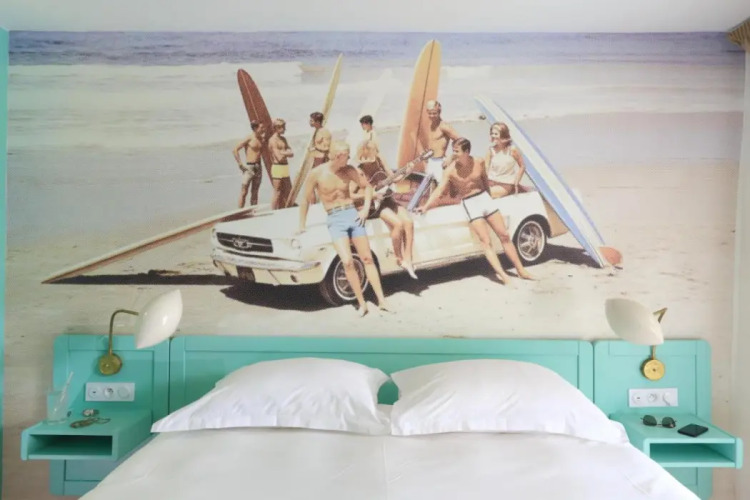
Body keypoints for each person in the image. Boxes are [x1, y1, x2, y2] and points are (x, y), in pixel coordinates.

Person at [415, 137, 535, 285]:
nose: (454, 154)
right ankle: (503, 276)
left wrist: (489, 198)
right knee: (486, 241)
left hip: (484, 198)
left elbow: (485, 180)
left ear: (466, 152)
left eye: (457, 151)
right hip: (470, 203)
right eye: (453, 151)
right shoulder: (450, 170)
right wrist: (426, 206)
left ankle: (521, 270)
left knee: (504, 235)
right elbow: (439, 190)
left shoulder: (479, 161)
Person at [298, 141, 391, 316]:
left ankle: (382, 301)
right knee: (347, 262)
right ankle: (362, 303)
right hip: (335, 219)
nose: (349, 159)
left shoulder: (349, 170)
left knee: (367, 258)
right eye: (346, 156)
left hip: (352, 215)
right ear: (337, 156)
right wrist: (301, 225)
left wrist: (365, 209)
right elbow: (305, 199)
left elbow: (367, 187)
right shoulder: (317, 174)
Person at [351, 140, 418, 279]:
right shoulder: (358, 171)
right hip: (373, 204)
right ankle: (398, 257)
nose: (368, 163)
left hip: (386, 198)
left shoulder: (380, 161)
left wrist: (407, 171)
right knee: (398, 224)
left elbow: (394, 178)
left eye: (370, 159)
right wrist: (372, 195)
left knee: (409, 222)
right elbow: (350, 195)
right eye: (365, 160)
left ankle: (408, 259)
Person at [407, 99, 461, 212]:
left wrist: (451, 157)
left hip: (441, 162)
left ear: (439, 110)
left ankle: (451, 211)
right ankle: (430, 212)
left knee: (444, 191)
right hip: (431, 162)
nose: (432, 115)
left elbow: (461, 141)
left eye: (434, 113)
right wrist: (422, 152)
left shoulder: (444, 126)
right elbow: (413, 133)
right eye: (430, 113)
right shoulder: (430, 125)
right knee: (431, 191)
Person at [485, 122, 528, 198]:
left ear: (503, 135)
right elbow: (485, 169)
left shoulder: (512, 150)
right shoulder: (491, 150)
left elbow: (522, 166)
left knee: (487, 195)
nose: (493, 136)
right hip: (491, 182)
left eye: (496, 134)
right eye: (492, 133)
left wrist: (516, 182)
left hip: (505, 184)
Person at [231, 121, 266, 207]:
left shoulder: (261, 138)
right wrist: (240, 164)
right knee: (244, 191)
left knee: (255, 192)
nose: (263, 129)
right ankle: (240, 211)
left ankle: (253, 211)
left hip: (258, 167)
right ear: (255, 128)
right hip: (249, 167)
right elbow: (235, 149)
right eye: (261, 128)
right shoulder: (249, 138)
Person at [268, 118, 294, 210]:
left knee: (288, 190)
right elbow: (279, 157)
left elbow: (292, 153)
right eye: (282, 127)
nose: (284, 129)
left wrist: (282, 152)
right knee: (277, 192)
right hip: (277, 167)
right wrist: (286, 152)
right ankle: (273, 211)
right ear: (276, 128)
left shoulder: (283, 139)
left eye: (284, 126)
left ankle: (288, 209)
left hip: (285, 166)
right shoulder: (272, 140)